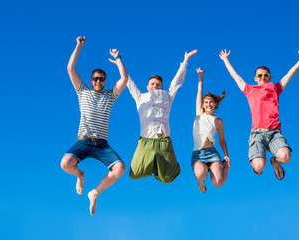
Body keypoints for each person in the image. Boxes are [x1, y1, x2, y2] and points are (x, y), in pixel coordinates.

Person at [60, 36, 128, 215]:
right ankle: (80, 175)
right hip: (83, 141)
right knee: (65, 164)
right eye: (96, 79)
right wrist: (78, 46)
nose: (99, 81)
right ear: (91, 80)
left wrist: (117, 59)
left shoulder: (109, 96)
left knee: (120, 168)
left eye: (102, 79)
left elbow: (124, 79)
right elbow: (70, 68)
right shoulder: (82, 91)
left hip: (102, 144)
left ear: (105, 81)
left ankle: (95, 192)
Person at [219, 49, 299, 180]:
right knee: (259, 166)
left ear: (270, 77)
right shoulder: (250, 90)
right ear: (255, 78)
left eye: (265, 75)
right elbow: (235, 76)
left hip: (274, 133)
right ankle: (257, 163)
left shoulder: (275, 88)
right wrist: (226, 60)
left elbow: (290, 74)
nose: (263, 78)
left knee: (286, 156)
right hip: (257, 134)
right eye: (260, 76)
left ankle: (275, 162)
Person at [126, 50, 198, 183]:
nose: (155, 86)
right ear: (147, 86)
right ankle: (153, 164)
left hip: (163, 141)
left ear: (162, 87)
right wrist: (118, 60)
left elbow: (177, 81)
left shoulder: (167, 97)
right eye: (152, 84)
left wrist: (185, 61)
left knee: (167, 178)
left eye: (158, 84)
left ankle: (163, 166)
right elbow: (128, 82)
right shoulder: (141, 97)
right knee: (134, 173)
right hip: (145, 141)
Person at [192, 67, 230, 193]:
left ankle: (226, 168)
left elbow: (222, 141)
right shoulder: (199, 114)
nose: (208, 104)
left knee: (218, 183)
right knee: (200, 173)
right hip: (198, 154)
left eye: (211, 102)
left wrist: (226, 155)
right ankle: (201, 183)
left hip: (213, 154)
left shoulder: (219, 121)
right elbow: (199, 90)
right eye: (206, 102)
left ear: (215, 104)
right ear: (202, 104)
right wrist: (201, 76)